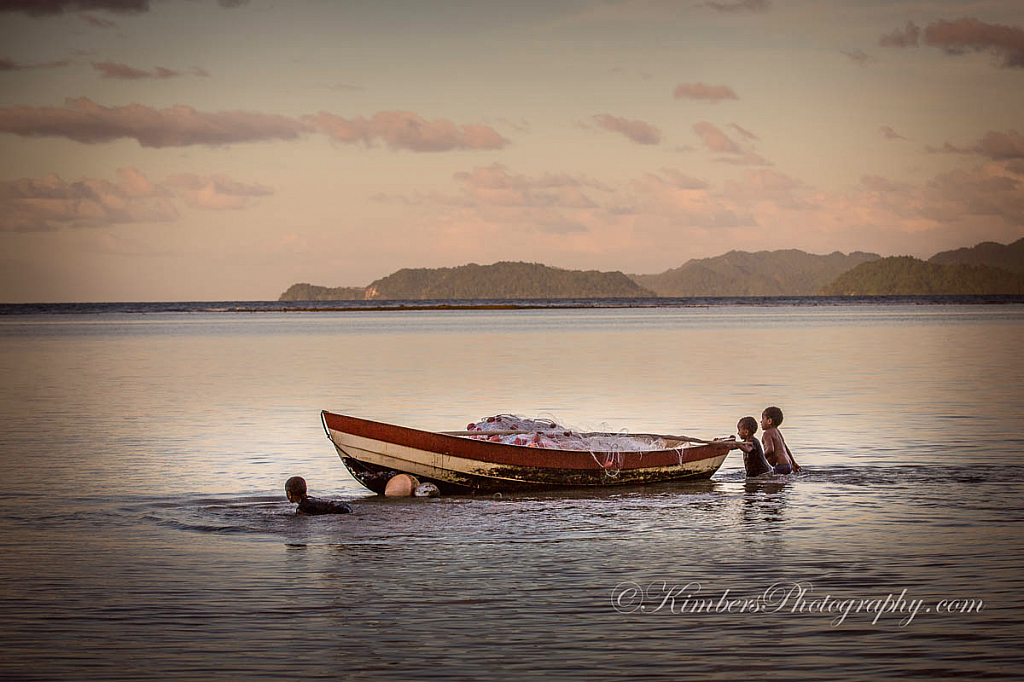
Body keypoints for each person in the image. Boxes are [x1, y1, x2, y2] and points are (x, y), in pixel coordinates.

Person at [760, 406, 801, 474]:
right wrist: (794, 463)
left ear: (769, 421)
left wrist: (760, 459)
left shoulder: (767, 433)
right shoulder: (777, 432)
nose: (761, 421)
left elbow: (770, 450)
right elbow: (786, 448)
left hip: (779, 466)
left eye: (763, 418)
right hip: (788, 465)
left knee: (770, 484)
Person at [285, 476, 352, 515]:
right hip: (344, 506)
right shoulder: (310, 499)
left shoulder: (301, 508)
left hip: (341, 511)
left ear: (289, 493)